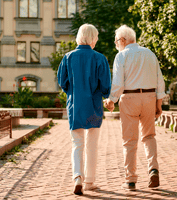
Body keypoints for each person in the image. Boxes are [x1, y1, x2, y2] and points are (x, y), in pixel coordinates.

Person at [105, 25, 165, 191]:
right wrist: (158, 103)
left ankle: (130, 180)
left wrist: (111, 101)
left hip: (129, 98)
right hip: (149, 97)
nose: (116, 44)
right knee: (149, 136)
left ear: (123, 40)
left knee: (129, 141)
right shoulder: (150, 54)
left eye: (117, 41)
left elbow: (117, 82)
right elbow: (160, 80)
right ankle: (153, 169)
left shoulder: (121, 56)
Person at [57, 24, 111, 195]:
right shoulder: (100, 58)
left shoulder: (67, 57)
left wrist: (72, 92)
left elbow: (62, 81)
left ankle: (77, 177)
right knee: (92, 144)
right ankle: (89, 181)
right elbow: (105, 86)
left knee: (77, 144)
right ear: (93, 38)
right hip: (94, 107)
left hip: (75, 106)